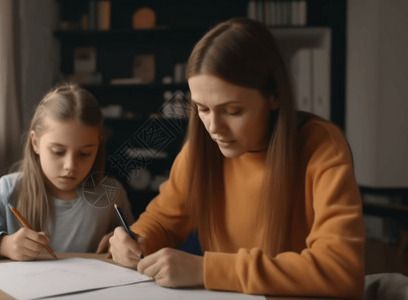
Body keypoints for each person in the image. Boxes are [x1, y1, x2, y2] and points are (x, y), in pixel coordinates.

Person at [109, 17, 365, 299]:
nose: (214, 128)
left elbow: (341, 271)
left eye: (232, 111)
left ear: (275, 97)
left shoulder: (321, 146)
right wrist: (134, 239)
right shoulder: (200, 150)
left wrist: (206, 270)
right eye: (202, 109)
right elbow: (164, 221)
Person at [0, 84, 133, 260]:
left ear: (98, 147)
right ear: (35, 142)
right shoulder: (10, 189)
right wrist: (3, 245)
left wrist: (126, 240)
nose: (70, 165)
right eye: (58, 152)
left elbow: (138, 239)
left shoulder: (111, 192)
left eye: (84, 154)